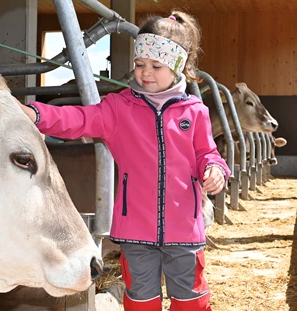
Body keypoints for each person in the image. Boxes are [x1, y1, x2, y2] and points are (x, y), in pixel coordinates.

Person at [19, 10, 230, 311]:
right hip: (135, 230)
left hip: (184, 227)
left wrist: (214, 169)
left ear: (177, 66)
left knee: (191, 300)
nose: (145, 72)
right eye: (140, 64)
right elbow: (78, 118)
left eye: (156, 66)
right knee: (141, 300)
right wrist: (38, 114)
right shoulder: (119, 108)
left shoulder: (194, 111)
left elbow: (206, 154)